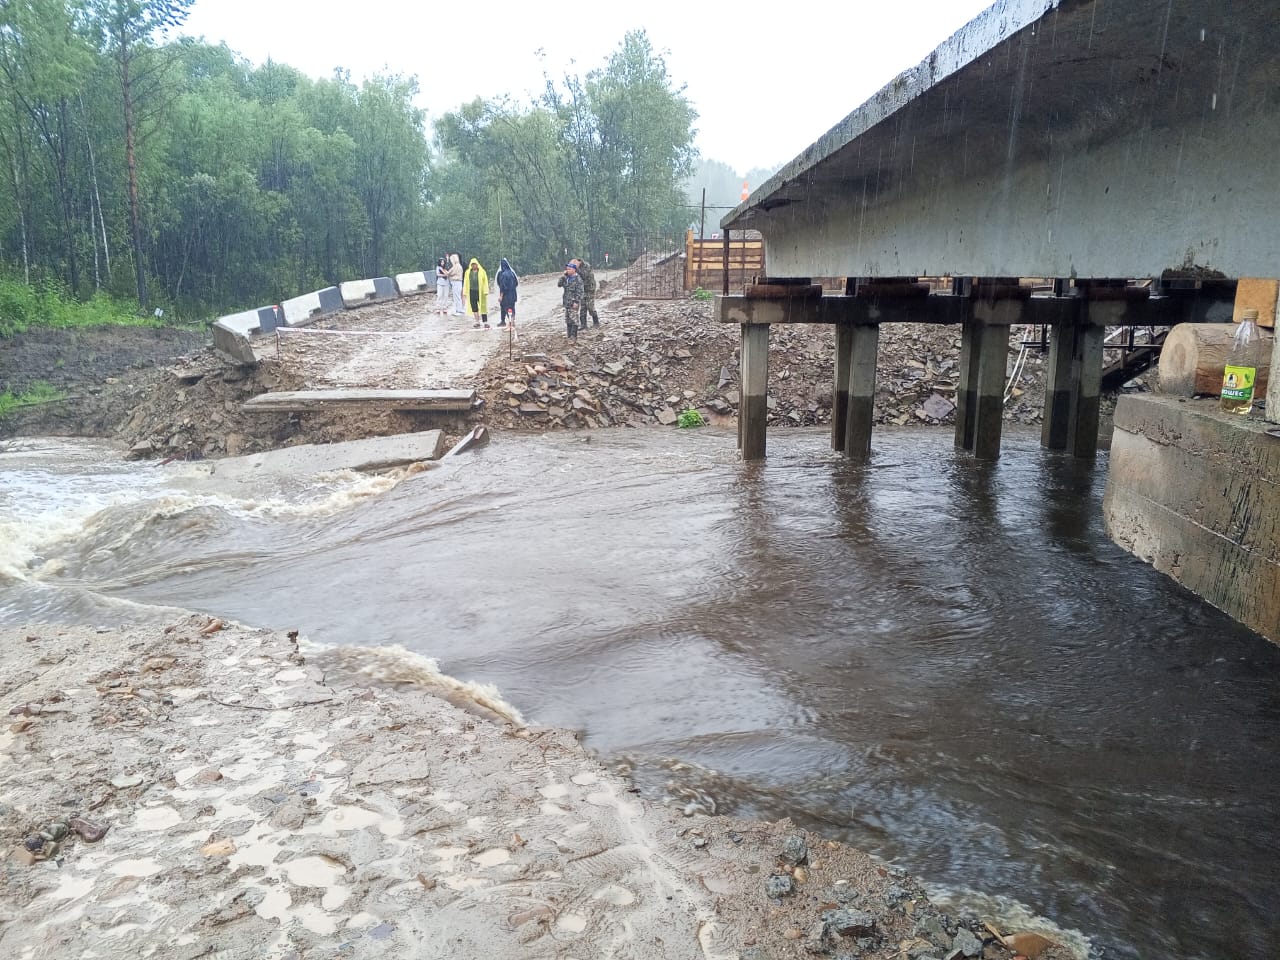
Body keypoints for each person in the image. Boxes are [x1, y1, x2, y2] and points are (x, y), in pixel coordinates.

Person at [557, 262, 583, 339]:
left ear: (574, 270)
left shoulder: (578, 279)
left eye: (569, 269)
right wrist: (563, 276)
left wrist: (576, 302)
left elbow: (580, 292)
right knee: (568, 320)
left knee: (574, 319)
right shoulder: (566, 278)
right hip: (567, 302)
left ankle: (573, 336)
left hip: (573, 302)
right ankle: (569, 335)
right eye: (567, 269)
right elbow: (559, 284)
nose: (567, 270)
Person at [572, 257, 599, 328]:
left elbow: (584, 276)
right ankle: (583, 325)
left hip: (590, 289)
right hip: (583, 289)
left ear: (579, 261)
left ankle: (596, 322)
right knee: (583, 307)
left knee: (590, 306)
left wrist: (576, 269)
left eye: (575, 263)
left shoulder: (586, 266)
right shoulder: (577, 268)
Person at [463, 257, 490, 328]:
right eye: (472, 264)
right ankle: (477, 321)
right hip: (472, 292)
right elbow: (465, 282)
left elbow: (485, 282)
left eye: (475, 264)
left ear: (477, 264)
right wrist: (465, 292)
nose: (473, 266)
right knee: (474, 307)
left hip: (480, 292)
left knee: (483, 306)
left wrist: (486, 290)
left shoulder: (482, 271)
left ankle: (485, 322)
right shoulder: (467, 272)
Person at [495, 258, 518, 327]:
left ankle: (510, 324)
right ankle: (512, 322)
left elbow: (502, 286)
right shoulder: (512, 273)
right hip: (513, 294)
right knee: (512, 308)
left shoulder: (503, 274)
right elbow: (516, 283)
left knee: (507, 308)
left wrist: (501, 296)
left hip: (506, 296)